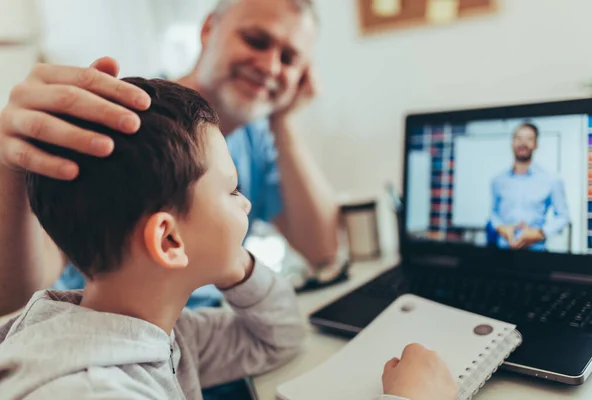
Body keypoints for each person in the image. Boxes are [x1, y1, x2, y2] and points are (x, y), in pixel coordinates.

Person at [0, 78, 457, 400]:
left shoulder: (164, 333)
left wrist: (237, 266)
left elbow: (277, 339)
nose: (247, 205)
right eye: (232, 190)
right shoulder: (90, 391)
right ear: (169, 241)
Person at [0, 0, 339, 314]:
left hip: (195, 347)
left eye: (289, 59)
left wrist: (284, 120)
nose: (269, 66)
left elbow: (322, 249)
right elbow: (16, 291)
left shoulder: (255, 141)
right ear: (208, 30)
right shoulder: (133, 125)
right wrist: (7, 167)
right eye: (255, 40)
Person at [490, 123, 569, 251]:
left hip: (536, 255)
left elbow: (563, 216)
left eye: (529, 139)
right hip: (502, 253)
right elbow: (494, 213)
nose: (523, 143)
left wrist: (540, 233)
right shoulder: (498, 180)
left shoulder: (552, 180)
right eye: (518, 138)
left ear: (536, 144)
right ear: (512, 142)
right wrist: (501, 228)